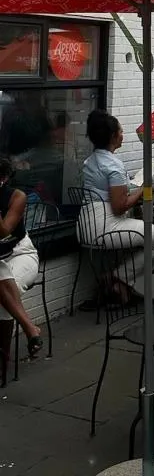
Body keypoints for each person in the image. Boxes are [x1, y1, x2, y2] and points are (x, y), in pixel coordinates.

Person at [78, 110, 154, 296]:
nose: (123, 134)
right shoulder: (113, 165)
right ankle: (117, 278)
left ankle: (123, 287)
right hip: (105, 227)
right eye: (120, 131)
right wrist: (143, 189)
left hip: (85, 225)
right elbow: (119, 206)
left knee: (140, 239)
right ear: (113, 136)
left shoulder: (89, 161)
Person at [0, 156, 41, 366]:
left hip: (19, 254)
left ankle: (3, 360)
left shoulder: (17, 196)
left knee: (6, 295)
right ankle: (30, 327)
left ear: (4, 179)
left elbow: (4, 231)